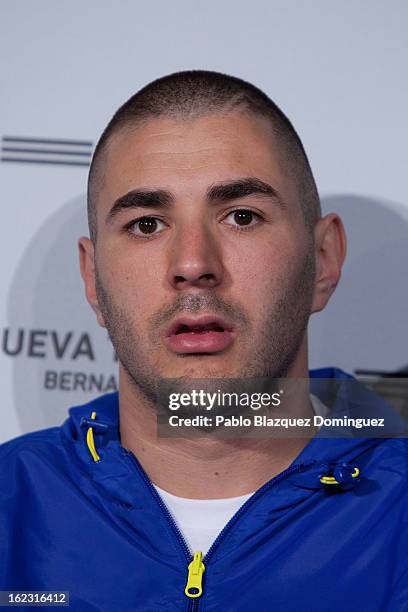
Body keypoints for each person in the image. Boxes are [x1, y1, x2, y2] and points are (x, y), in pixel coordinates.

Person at [0, 70, 406, 611]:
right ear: (93, 281)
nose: (193, 265)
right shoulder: (11, 505)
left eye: (242, 216)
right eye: (147, 224)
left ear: (323, 261)